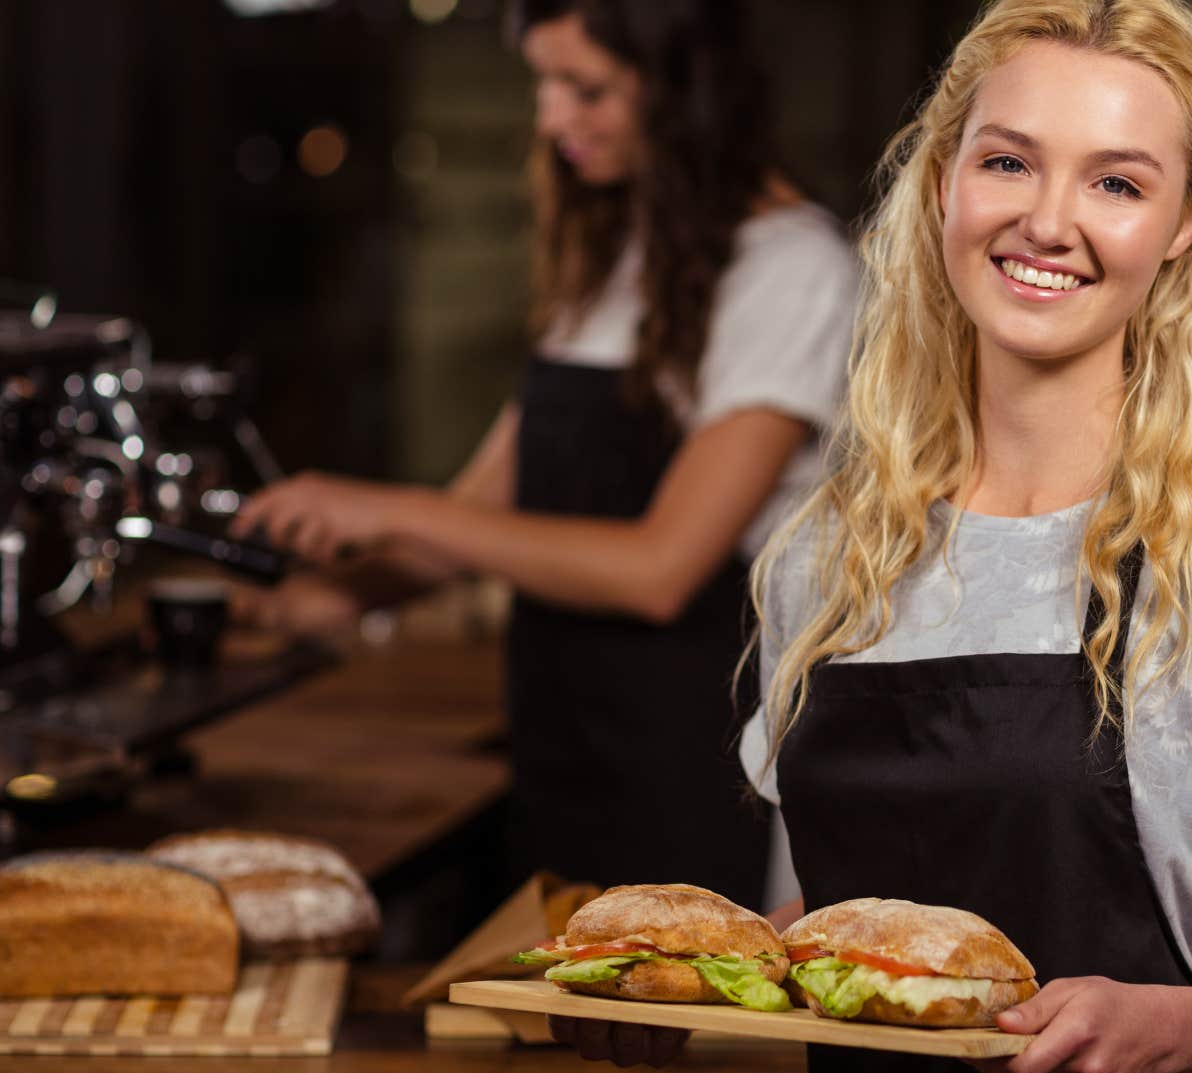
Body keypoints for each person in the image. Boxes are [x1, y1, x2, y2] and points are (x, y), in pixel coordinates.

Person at [553, 0, 1192, 1073]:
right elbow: (839, 929)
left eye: (1117, 183)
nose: (1049, 222)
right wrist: (693, 1004)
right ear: (946, 178)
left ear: (1186, 225)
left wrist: (1165, 1025)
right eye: (1009, 163)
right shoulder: (830, 558)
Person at [229, 0, 858, 904]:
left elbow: (660, 568)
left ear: (687, 91)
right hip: (564, 737)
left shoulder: (791, 270)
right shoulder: (616, 254)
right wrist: (315, 600)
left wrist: (382, 506)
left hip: (693, 754)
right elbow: (482, 513)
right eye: (544, 83)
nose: (551, 117)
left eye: (585, 88)